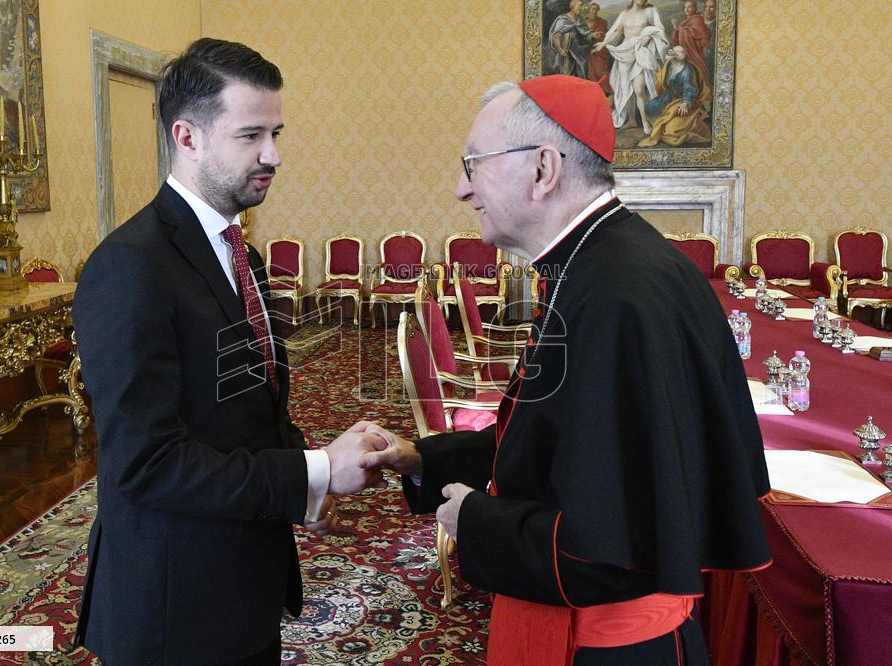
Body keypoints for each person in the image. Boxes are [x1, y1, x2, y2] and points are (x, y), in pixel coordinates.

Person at [362, 75, 771, 664]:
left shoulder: (616, 297)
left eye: (472, 164)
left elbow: (604, 554)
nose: (461, 188)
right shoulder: (599, 265)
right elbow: (566, 446)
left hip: (605, 646)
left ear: (542, 169)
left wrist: (473, 520)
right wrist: (424, 460)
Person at [72, 39, 385, 664]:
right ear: (187, 137)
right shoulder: (130, 268)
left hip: (240, 578)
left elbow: (247, 409)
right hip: (174, 608)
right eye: (251, 136)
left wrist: (305, 486)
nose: (273, 155)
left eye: (276, 132)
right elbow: (148, 464)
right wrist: (314, 470)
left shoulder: (237, 251)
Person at [592, 0, 669, 135]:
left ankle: (646, 122)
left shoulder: (650, 11)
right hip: (625, 53)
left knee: (639, 89)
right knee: (625, 88)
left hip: (640, 52)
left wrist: (649, 37)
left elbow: (659, 30)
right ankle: (631, 120)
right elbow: (617, 31)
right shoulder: (624, 14)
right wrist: (603, 44)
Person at [638, 45, 712, 147]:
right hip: (668, 98)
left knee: (672, 130)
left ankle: (676, 124)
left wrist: (685, 103)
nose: (675, 54)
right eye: (674, 52)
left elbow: (690, 88)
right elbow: (662, 79)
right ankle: (661, 123)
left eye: (679, 53)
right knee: (650, 108)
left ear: (684, 55)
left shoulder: (687, 71)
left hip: (682, 101)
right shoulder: (669, 65)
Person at [547, 0, 593, 78]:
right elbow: (556, 36)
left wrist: (592, 34)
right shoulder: (562, 19)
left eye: (582, 6)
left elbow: (586, 33)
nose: (582, 8)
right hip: (567, 53)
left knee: (581, 74)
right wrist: (561, 50)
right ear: (572, 6)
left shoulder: (580, 20)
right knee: (567, 75)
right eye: (580, 5)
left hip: (579, 53)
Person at [671, 0, 712, 86]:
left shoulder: (697, 20)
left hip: (695, 53)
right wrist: (676, 29)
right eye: (685, 7)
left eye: (689, 7)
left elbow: (699, 35)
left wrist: (679, 29)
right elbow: (676, 40)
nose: (687, 9)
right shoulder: (684, 22)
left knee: (695, 75)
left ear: (695, 8)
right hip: (684, 53)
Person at [583, 3, 612, 95]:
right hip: (583, 49)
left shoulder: (602, 22)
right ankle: (594, 92)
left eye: (596, 9)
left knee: (601, 72)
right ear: (589, 10)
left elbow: (605, 36)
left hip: (599, 50)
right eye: (592, 9)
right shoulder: (582, 22)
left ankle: (610, 90)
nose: (594, 11)